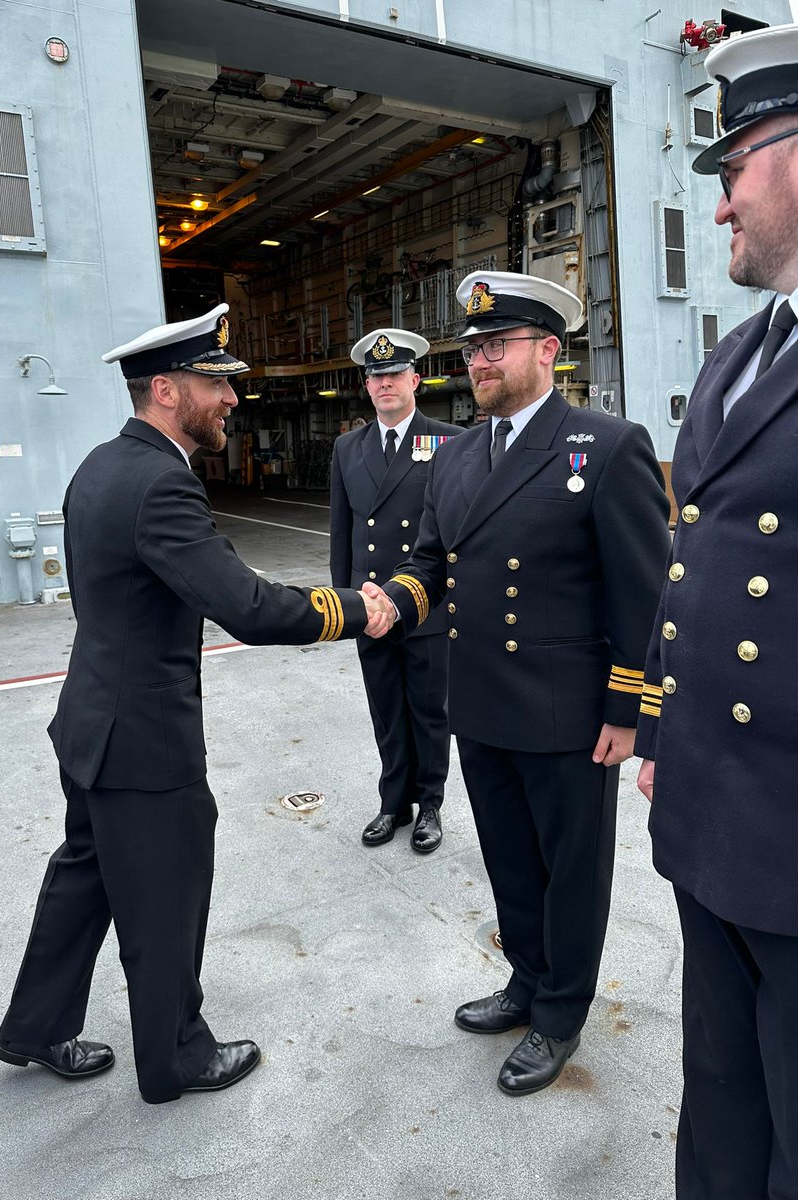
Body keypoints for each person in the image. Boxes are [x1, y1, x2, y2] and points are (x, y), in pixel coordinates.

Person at [0, 304, 391, 1105]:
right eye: (217, 385)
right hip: (143, 739)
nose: (232, 401)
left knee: (86, 878)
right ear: (169, 391)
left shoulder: (100, 466)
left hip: (90, 721)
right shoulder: (161, 484)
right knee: (165, 893)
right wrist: (358, 607)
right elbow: (246, 606)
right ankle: (176, 1056)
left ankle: (34, 1027)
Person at [369, 272, 670, 1095]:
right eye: (470, 347)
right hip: (479, 701)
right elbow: (431, 560)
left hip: (568, 712)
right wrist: (389, 602)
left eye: (495, 344)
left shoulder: (606, 447)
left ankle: (562, 1012)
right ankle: (526, 981)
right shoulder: (458, 454)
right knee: (507, 857)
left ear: (549, 351)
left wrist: (629, 711)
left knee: (571, 869)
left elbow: (643, 593)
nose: (478, 360)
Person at [635, 24, 798, 1198]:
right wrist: (655, 731)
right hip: (713, 827)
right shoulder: (740, 355)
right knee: (725, 1103)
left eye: (735, 165)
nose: (722, 202)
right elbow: (691, 564)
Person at [330, 329, 462, 852]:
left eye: (394, 375)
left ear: (415, 380)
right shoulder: (348, 447)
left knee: (430, 710)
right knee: (385, 707)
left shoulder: (448, 441)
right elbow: (344, 532)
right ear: (367, 386)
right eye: (375, 376)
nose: (385, 383)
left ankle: (429, 803)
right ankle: (393, 803)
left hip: (426, 605)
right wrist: (345, 606)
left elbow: (453, 535)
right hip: (368, 605)